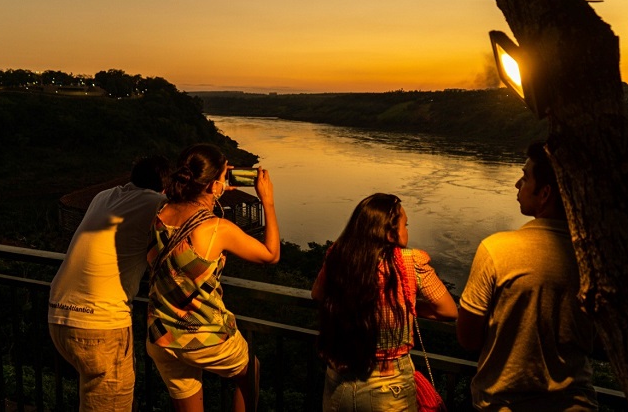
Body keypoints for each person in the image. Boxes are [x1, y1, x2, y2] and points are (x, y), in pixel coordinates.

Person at [457, 141, 598, 411]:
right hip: (575, 404)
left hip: (504, 404)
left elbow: (467, 338)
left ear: (545, 193)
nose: (517, 185)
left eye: (524, 177)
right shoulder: (595, 258)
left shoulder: (496, 249)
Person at [146, 143, 280, 412]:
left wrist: (214, 187)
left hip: (162, 334)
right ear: (211, 185)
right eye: (222, 176)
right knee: (251, 371)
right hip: (204, 338)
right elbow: (270, 254)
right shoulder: (215, 228)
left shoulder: (161, 213)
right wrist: (267, 201)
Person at [312, 193, 457, 411]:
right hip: (389, 383)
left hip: (338, 378)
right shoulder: (410, 261)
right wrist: (404, 302)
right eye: (405, 225)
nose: (407, 230)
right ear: (390, 233)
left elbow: (318, 294)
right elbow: (448, 310)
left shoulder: (339, 256)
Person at [48, 154, 171, 412]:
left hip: (59, 316)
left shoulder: (103, 196)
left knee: (95, 399)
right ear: (164, 184)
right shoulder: (158, 204)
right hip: (100, 325)